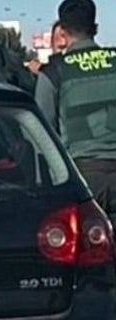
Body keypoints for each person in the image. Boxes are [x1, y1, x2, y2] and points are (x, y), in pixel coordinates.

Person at [35, 0, 116, 214]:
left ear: (62, 32)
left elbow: (42, 135)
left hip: (85, 180)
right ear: (95, 27)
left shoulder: (53, 72)